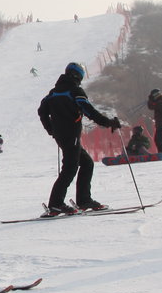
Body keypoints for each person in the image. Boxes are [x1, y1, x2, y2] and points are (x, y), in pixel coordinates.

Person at [37, 62, 120, 214]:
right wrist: (108, 123)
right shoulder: (75, 91)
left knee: (87, 163)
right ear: (78, 76)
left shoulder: (53, 93)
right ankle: (56, 203)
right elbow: (89, 111)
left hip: (62, 136)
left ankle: (83, 200)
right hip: (71, 136)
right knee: (70, 167)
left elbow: (41, 111)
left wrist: (51, 130)